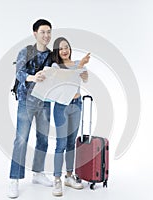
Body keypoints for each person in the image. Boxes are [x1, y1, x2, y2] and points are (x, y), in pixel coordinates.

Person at [8, 19, 53, 198]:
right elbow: (19, 72)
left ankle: (38, 173)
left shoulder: (52, 55)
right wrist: (33, 77)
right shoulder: (26, 51)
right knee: (21, 140)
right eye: (43, 32)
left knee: (43, 139)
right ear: (35, 33)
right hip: (27, 101)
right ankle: (14, 179)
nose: (46, 35)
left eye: (49, 32)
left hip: (45, 101)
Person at [50, 37, 90, 196]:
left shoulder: (77, 64)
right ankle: (57, 179)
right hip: (61, 107)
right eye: (61, 49)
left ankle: (68, 176)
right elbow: (65, 78)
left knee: (71, 143)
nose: (64, 50)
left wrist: (83, 71)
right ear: (57, 52)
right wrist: (80, 66)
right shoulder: (55, 66)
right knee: (60, 144)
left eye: (66, 47)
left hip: (77, 105)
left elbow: (84, 79)